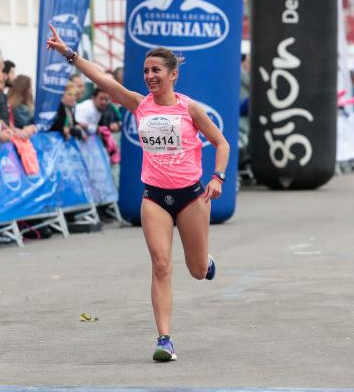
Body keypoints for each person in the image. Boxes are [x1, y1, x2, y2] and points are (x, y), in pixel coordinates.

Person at [47, 24, 230, 363]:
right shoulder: (139, 104)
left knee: (195, 269)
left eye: (156, 70)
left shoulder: (190, 109)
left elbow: (222, 143)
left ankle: (206, 262)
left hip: (191, 197)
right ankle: (165, 340)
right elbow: (103, 80)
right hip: (154, 198)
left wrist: (217, 178)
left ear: (173, 75)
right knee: (161, 265)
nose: (149, 76)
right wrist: (68, 53)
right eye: (146, 71)